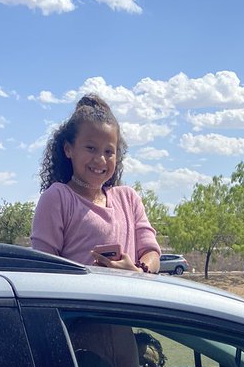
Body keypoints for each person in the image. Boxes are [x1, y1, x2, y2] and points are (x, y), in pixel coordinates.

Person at [31, 94, 161, 273]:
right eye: (91, 148)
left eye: (109, 151)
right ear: (68, 149)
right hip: (78, 301)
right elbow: (42, 268)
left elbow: (151, 251)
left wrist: (139, 271)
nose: (100, 159)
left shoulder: (129, 199)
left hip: (129, 299)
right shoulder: (58, 198)